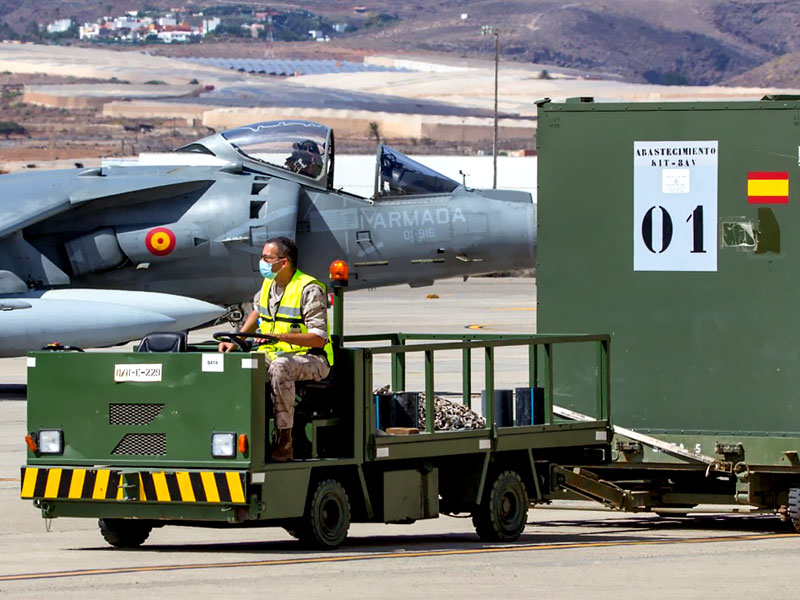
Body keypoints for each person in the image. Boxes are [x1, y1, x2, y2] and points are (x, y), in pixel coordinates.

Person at [218, 236, 332, 461]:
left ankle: (284, 440)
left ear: (284, 262)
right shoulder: (269, 284)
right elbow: (257, 311)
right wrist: (236, 339)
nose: (262, 262)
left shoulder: (309, 289)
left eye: (267, 258)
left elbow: (319, 339)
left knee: (280, 367)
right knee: (238, 364)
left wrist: (278, 336)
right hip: (274, 354)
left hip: (311, 360)